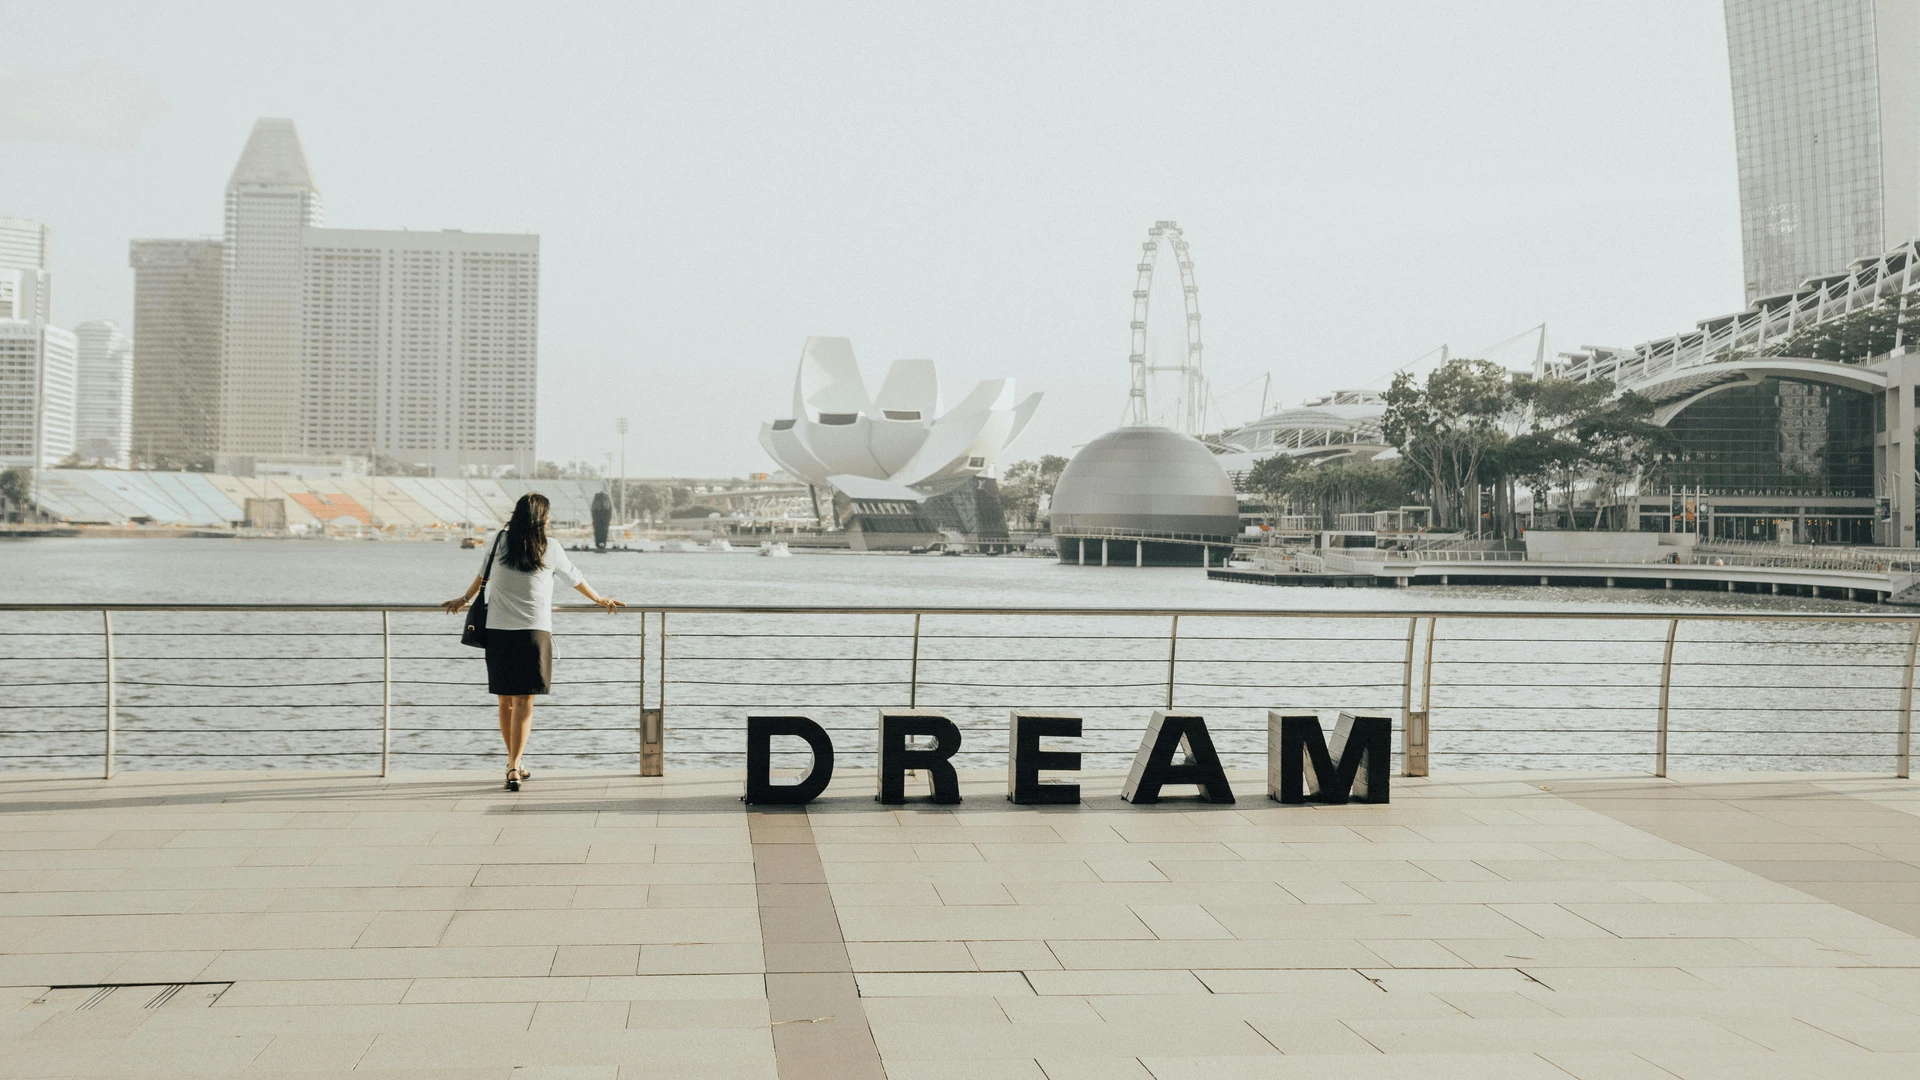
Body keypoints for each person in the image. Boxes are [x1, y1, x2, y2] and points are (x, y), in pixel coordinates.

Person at [443, 493, 622, 790]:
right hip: (534, 632)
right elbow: (574, 578)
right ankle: (515, 764)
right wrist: (599, 598)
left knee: (506, 700)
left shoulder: (499, 543)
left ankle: (514, 763)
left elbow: (481, 575)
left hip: (498, 630)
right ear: (542, 519)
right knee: (525, 700)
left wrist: (464, 598)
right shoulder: (550, 548)